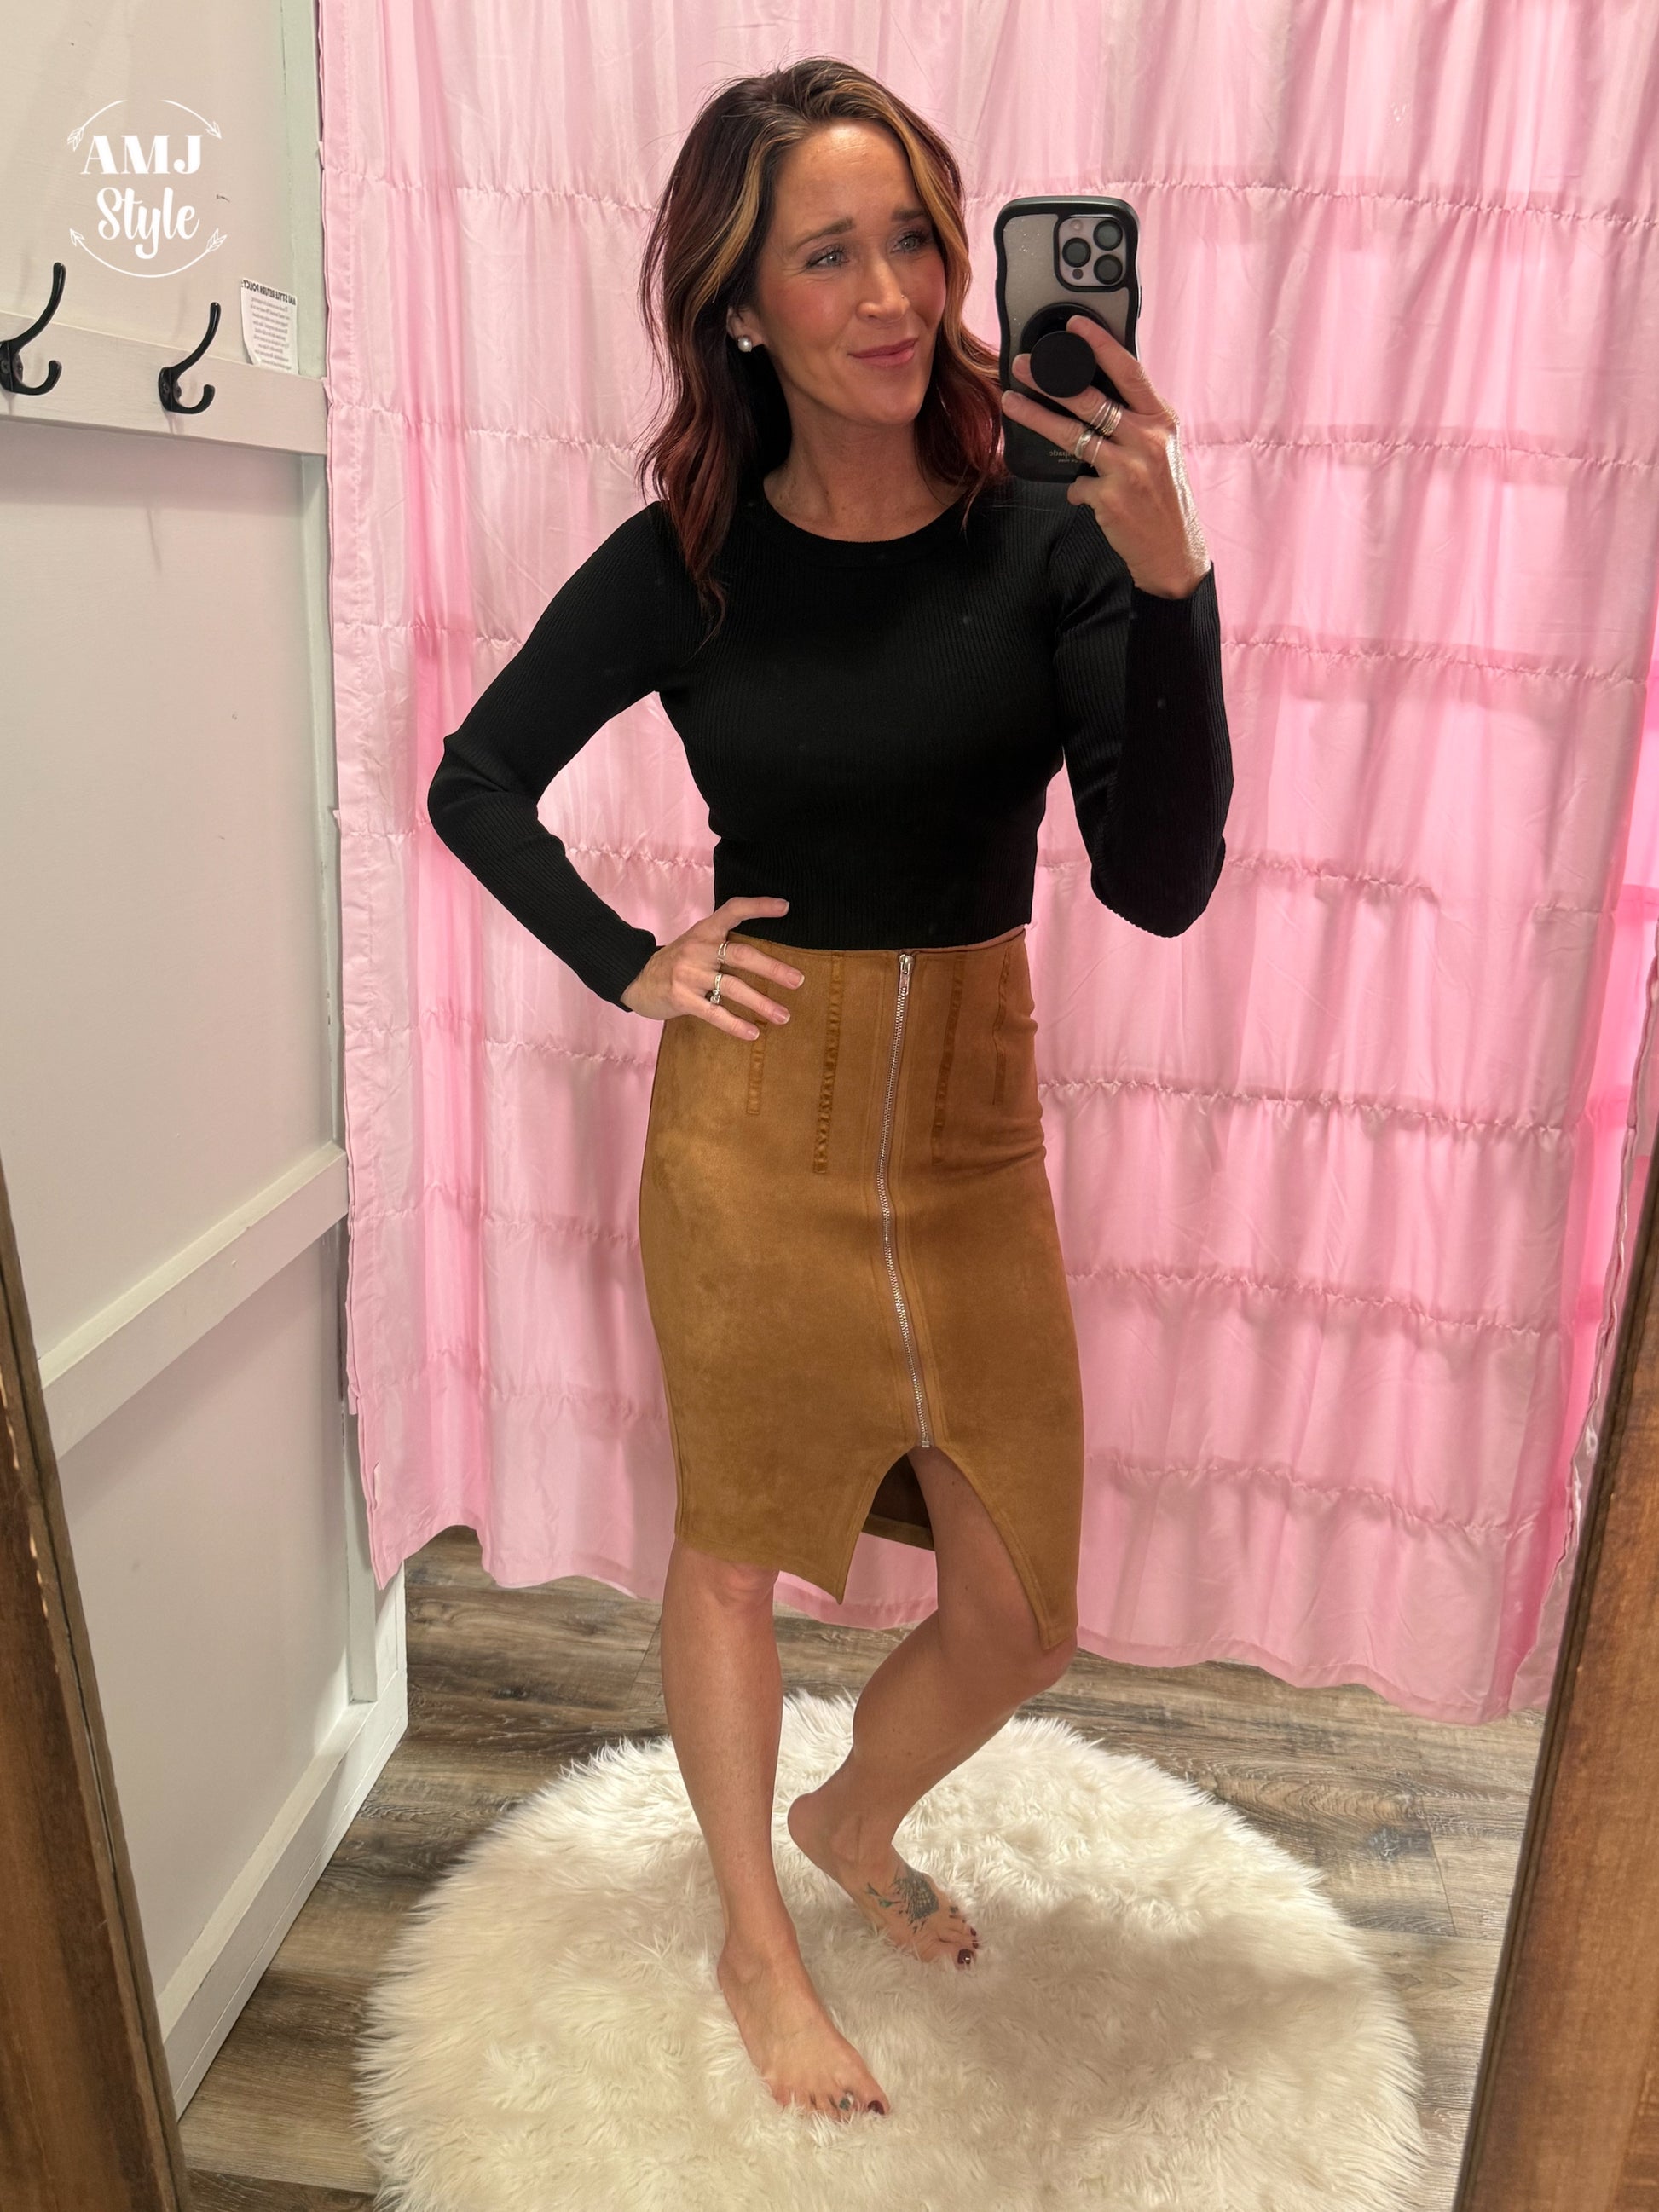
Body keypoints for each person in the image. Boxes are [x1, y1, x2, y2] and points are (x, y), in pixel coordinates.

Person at [425, 56, 1231, 2123]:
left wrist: (1171, 589)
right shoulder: (685, 558)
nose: (890, 296)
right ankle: (751, 1934)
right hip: (753, 1135)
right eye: (826, 256)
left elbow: (1155, 882)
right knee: (732, 1548)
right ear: (738, 305)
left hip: (971, 1128)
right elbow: (477, 776)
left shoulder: (1048, 537)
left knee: (1022, 1613)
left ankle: (849, 1814)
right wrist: (631, 957)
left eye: (913, 243)